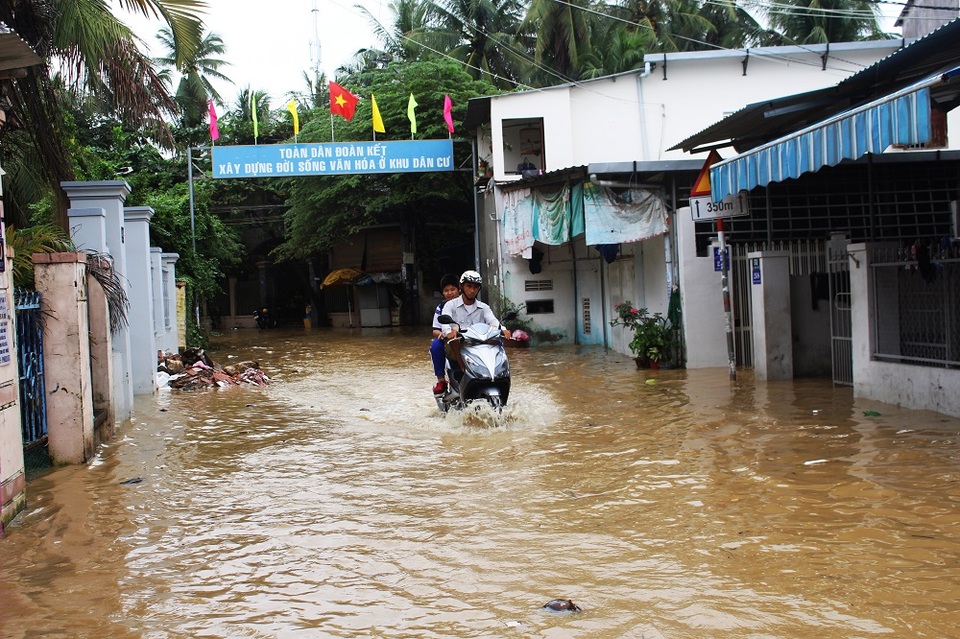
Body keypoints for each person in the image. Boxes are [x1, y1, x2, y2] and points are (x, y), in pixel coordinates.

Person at [440, 270, 511, 374]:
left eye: (475, 287)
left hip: (479, 344)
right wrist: (450, 333)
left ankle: (498, 372)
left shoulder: (484, 307)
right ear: (461, 287)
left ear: (479, 289)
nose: (472, 290)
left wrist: (503, 330)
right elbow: (445, 326)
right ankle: (463, 370)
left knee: (497, 341)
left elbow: (494, 322)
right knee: (454, 341)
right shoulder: (450, 305)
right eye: (469, 286)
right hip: (459, 345)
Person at [430, 274, 461, 395]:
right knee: (436, 345)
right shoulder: (441, 307)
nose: (450, 293)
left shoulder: (467, 304)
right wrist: (443, 334)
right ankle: (441, 381)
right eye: (446, 290)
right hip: (448, 340)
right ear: (442, 293)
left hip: (467, 339)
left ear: (459, 289)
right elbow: (435, 330)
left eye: (452, 289)